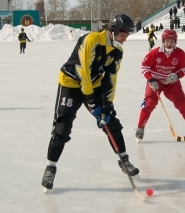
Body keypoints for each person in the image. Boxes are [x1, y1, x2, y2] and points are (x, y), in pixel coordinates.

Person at [41, 14, 139, 191]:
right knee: (63, 127)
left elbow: (111, 79)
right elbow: (82, 69)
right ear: (114, 30)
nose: (126, 38)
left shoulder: (117, 51)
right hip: (71, 83)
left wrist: (107, 106)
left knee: (111, 122)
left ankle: (124, 160)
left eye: (128, 35)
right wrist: (92, 101)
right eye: (124, 34)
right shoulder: (92, 39)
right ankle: (50, 168)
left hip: (93, 85)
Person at [135, 29, 185, 142]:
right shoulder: (155, 53)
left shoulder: (180, 53)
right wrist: (151, 79)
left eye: (171, 41)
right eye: (167, 41)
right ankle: (140, 128)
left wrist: (177, 75)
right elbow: (144, 67)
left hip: (172, 82)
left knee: (183, 104)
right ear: (163, 41)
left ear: (175, 41)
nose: (169, 44)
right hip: (156, 81)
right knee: (149, 103)